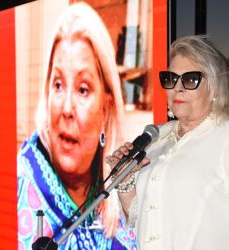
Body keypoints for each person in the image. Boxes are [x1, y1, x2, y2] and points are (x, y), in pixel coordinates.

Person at [17, 2, 137, 249]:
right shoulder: (19, 188)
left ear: (106, 107)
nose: (67, 109)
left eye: (83, 89)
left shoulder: (124, 192)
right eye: (58, 85)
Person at [106, 35, 229, 250]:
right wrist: (124, 180)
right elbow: (139, 216)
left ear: (214, 86)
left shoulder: (224, 134)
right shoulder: (156, 137)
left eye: (190, 80)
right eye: (171, 79)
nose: (177, 88)